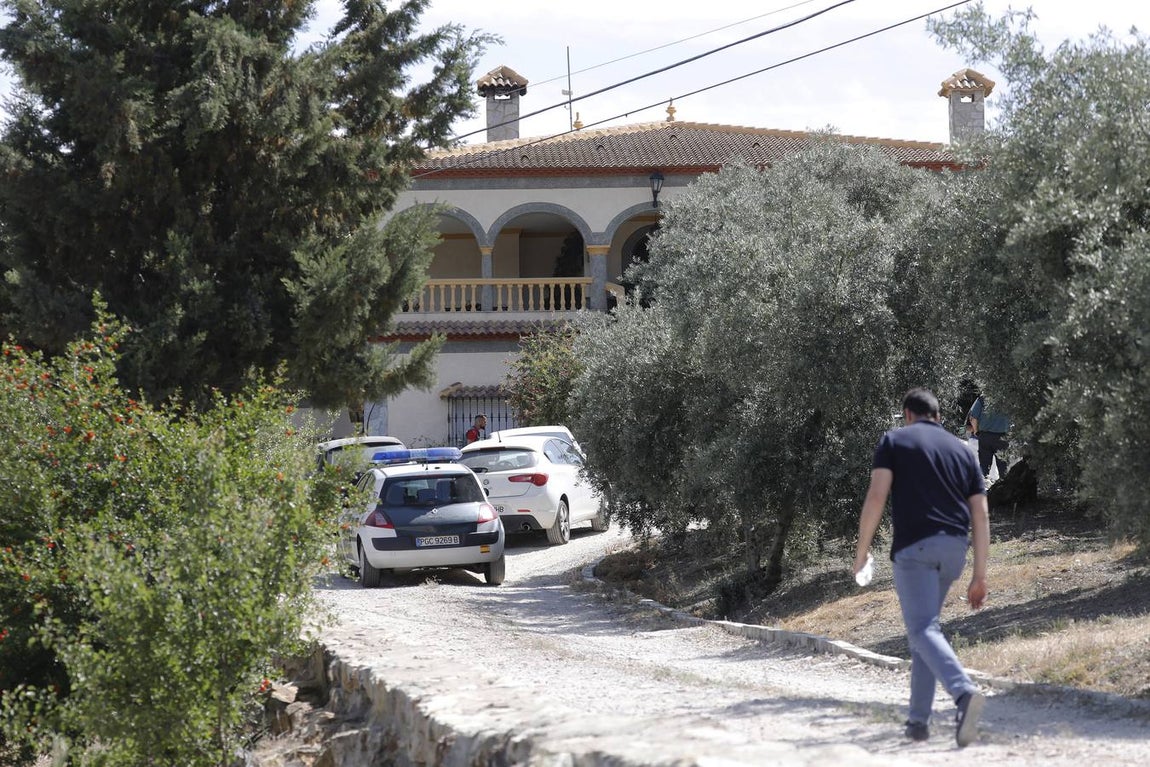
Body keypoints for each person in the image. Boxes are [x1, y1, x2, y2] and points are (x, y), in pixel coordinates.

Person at [853, 387, 990, 747]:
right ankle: (917, 721)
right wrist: (980, 574)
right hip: (955, 550)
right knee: (925, 629)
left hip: (915, 548)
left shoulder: (894, 441)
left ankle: (963, 694)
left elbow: (877, 496)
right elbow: (981, 513)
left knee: (922, 628)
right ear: (940, 418)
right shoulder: (963, 450)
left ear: (907, 416)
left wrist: (862, 551)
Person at [966, 395, 1010, 480]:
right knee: (1003, 469)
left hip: (985, 436)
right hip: (1003, 438)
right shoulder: (1008, 396)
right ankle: (1003, 489)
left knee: (984, 468)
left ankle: (982, 488)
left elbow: (973, 418)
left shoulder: (983, 398)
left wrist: (976, 431)